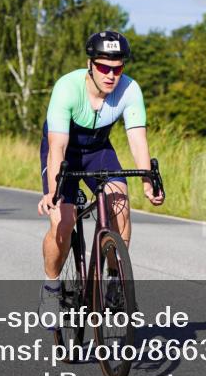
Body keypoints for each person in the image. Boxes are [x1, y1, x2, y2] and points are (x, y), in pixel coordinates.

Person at [36, 31, 165, 328]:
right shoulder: (67, 88)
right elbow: (57, 147)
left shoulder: (130, 89)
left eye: (117, 68)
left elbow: (137, 138)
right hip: (66, 150)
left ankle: (113, 283)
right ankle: (51, 288)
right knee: (63, 221)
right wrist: (54, 192)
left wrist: (148, 180)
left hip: (98, 150)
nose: (110, 75)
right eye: (104, 67)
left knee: (120, 205)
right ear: (90, 64)